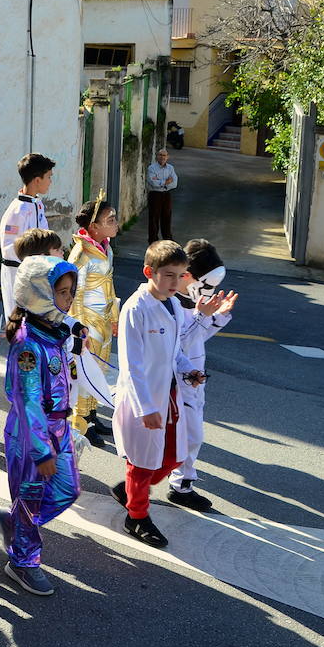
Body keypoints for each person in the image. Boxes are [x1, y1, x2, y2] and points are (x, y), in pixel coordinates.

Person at [0, 256, 85, 596]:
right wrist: (41, 449)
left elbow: (67, 325)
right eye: (62, 292)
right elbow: (28, 400)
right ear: (39, 295)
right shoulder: (27, 344)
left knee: (67, 490)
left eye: (71, 291)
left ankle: (17, 524)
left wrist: (77, 328)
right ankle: (23, 561)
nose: (69, 299)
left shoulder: (52, 329)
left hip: (58, 427)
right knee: (32, 496)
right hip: (32, 435)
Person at [111, 240, 193, 549]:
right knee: (142, 461)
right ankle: (137, 516)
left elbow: (174, 352)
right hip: (143, 399)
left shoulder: (173, 303)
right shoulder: (136, 308)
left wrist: (188, 370)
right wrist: (145, 407)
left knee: (173, 455)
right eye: (170, 275)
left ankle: (131, 491)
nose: (177, 282)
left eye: (182, 275)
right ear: (149, 272)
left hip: (168, 394)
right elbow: (131, 366)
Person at [167, 239, 237, 511]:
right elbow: (178, 343)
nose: (210, 292)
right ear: (188, 275)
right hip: (179, 379)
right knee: (191, 434)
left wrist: (216, 317)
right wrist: (203, 316)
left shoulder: (193, 302)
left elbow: (197, 340)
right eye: (207, 286)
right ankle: (178, 483)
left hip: (195, 377)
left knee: (189, 433)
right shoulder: (171, 302)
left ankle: (180, 483)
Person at [67, 194, 120, 445]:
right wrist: (79, 328)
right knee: (85, 370)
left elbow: (109, 287)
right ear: (94, 227)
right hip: (88, 322)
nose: (116, 222)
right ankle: (81, 420)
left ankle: (91, 414)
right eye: (110, 220)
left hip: (103, 319)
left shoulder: (104, 248)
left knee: (99, 369)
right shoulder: (81, 254)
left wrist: (114, 317)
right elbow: (72, 293)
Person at [0, 153, 54, 319]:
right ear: (37, 180)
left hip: (35, 272)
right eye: (49, 177)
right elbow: (10, 249)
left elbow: (44, 237)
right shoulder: (17, 211)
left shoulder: (37, 205)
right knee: (18, 321)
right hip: (18, 274)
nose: (51, 182)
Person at [146, 148, 178, 242]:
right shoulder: (152, 168)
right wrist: (166, 181)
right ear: (157, 156)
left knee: (167, 217)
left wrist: (160, 181)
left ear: (168, 157)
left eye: (164, 155)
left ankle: (167, 239)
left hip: (166, 195)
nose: (162, 157)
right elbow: (153, 182)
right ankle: (153, 240)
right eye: (160, 155)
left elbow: (174, 183)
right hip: (155, 195)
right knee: (154, 218)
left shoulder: (170, 168)